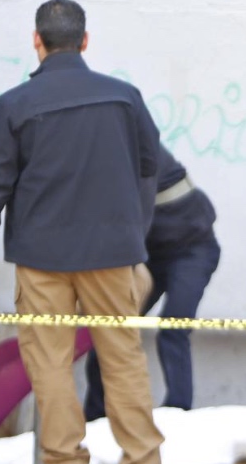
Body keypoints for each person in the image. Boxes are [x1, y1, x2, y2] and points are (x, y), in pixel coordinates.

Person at [0, 0, 175, 464]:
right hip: (111, 253)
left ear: (36, 41)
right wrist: (134, 230)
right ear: (85, 41)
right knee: (122, 357)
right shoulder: (124, 98)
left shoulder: (15, 104)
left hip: (42, 257)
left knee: (50, 362)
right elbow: (149, 167)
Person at [83, 145, 220, 421]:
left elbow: (130, 215)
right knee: (112, 330)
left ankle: (178, 413)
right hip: (147, 256)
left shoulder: (137, 147)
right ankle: (95, 419)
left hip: (192, 250)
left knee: (173, 327)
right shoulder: (94, 163)